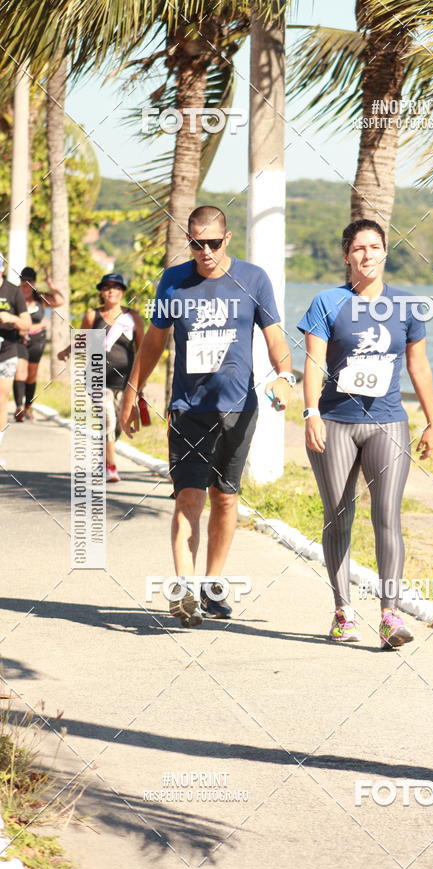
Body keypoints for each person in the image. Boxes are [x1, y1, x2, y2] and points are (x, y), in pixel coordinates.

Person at [120, 205, 294, 626]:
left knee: (226, 497)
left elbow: (274, 336)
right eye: (196, 244)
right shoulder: (174, 281)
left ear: (226, 239)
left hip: (239, 409)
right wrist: (132, 392)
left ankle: (212, 588)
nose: (205, 252)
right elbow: (154, 342)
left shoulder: (253, 279)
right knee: (189, 497)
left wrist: (285, 375)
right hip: (188, 410)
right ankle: (184, 591)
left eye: (213, 243)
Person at [298, 218, 433, 649]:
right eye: (359, 249)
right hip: (336, 422)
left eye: (375, 247)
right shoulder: (327, 302)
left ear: (385, 252)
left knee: (387, 516)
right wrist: (310, 413)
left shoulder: (408, 305)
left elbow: (418, 366)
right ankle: (343, 611)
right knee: (339, 515)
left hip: (389, 422)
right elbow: (314, 363)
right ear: (347, 256)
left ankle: (390, 615)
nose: (368, 255)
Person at [58, 273, 145, 482]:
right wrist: (67, 351)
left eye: (116, 287)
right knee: (108, 418)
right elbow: (82, 340)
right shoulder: (92, 316)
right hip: (97, 377)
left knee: (117, 424)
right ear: (101, 292)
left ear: (123, 291)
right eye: (107, 287)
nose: (111, 291)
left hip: (125, 381)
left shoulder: (133, 317)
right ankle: (111, 466)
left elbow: (143, 349)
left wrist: (141, 381)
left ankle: (104, 458)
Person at [13, 266, 64, 421]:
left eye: (30, 281)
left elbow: (60, 301)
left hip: (37, 340)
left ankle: (28, 407)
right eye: (23, 281)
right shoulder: (14, 296)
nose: (26, 284)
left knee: (31, 375)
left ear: (34, 283)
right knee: (20, 372)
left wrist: (50, 283)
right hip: (19, 339)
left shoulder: (40, 297)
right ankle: (19, 408)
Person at [0, 254, 31, 462]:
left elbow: (26, 323)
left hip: (7, 350)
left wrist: (11, 318)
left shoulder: (13, 291)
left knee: (1, 399)